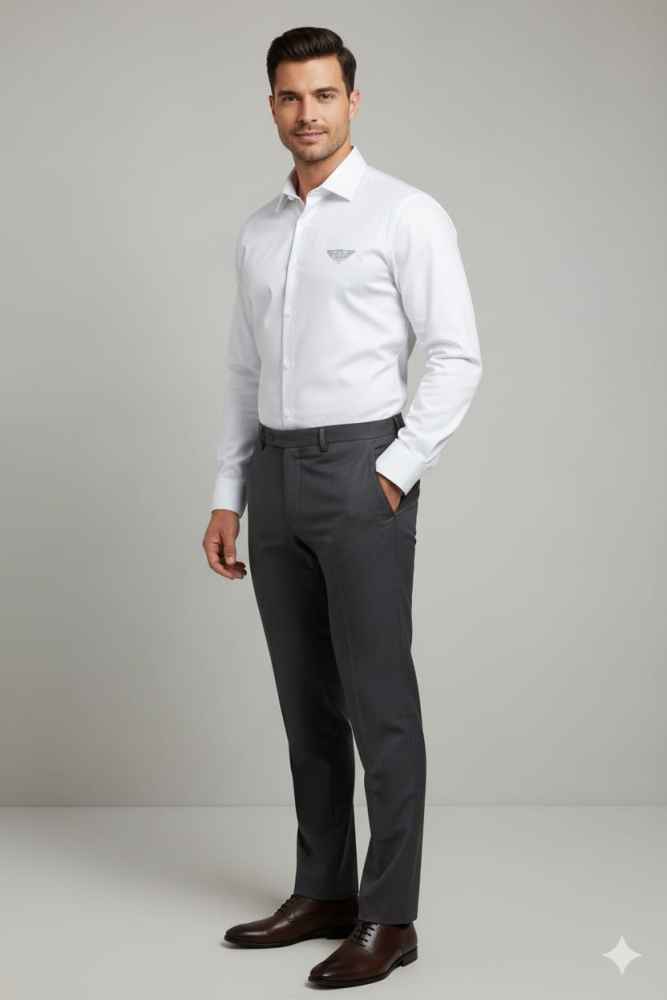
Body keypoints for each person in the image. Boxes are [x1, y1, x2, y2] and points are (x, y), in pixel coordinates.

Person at [202, 25, 483, 989]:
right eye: (289, 96)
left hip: (363, 466)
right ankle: (322, 891)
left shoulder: (405, 213)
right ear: (271, 106)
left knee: (379, 703)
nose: (306, 113)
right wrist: (229, 493)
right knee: (305, 703)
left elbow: (455, 353)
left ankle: (388, 917)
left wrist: (395, 470)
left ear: (351, 101)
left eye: (323, 95)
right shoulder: (259, 230)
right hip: (275, 476)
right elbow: (244, 371)